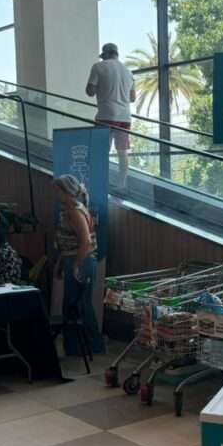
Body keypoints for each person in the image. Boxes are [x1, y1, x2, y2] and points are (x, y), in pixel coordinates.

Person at [53, 175, 104, 356]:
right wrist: (61, 263)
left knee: (78, 306)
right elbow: (69, 243)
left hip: (81, 261)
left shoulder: (75, 211)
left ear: (68, 192)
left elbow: (85, 241)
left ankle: (87, 347)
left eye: (58, 191)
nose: (56, 195)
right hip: (74, 260)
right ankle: (82, 348)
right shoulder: (71, 210)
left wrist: (76, 264)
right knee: (76, 306)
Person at [87, 43, 136, 189]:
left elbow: (90, 92)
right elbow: (132, 98)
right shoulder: (128, 72)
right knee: (122, 152)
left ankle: (100, 183)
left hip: (106, 115)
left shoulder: (98, 67)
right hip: (125, 117)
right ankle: (121, 184)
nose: (102, 59)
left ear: (107, 53)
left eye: (103, 56)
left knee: (101, 151)